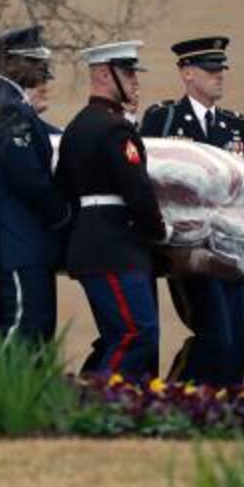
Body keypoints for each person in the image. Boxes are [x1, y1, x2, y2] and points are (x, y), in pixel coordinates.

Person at [140, 36, 244, 387]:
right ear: (187, 73)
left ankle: (225, 404)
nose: (219, 75)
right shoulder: (164, 118)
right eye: (210, 69)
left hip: (231, 244)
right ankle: (182, 394)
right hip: (189, 244)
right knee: (214, 332)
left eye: (221, 69)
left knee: (234, 341)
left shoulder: (237, 124)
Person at [56, 41, 172, 378]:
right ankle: (98, 403)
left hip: (92, 242)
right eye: (127, 71)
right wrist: (160, 230)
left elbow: (63, 186)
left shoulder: (77, 127)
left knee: (117, 336)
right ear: (104, 74)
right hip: (114, 246)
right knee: (138, 333)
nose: (135, 80)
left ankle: (88, 397)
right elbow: (138, 191)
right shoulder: (114, 129)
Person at [0, 25, 71, 348]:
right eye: (33, 62)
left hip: (18, 244)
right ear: (11, 62)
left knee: (34, 335)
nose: (42, 72)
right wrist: (63, 214)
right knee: (25, 331)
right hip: (15, 244)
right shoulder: (6, 105)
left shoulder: (6, 103)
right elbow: (28, 177)